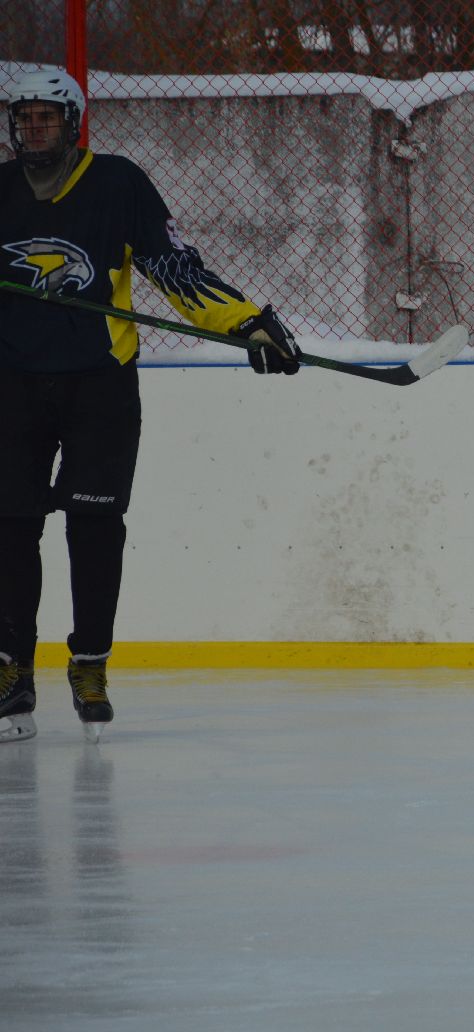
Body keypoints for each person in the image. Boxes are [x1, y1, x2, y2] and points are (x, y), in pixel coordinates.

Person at [0, 68, 301, 744]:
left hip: (99, 385)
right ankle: (12, 670)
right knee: (9, 527)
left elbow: (175, 268)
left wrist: (247, 323)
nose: (34, 130)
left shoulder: (117, 183)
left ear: (72, 121)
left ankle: (88, 661)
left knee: (94, 526)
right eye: (24, 119)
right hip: (12, 385)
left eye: (47, 117)